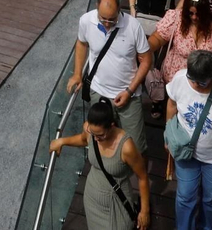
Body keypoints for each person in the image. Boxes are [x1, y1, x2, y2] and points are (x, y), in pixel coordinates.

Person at [164, 50, 212, 230]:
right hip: (186, 153)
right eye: (192, 80)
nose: (196, 85)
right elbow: (171, 105)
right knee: (185, 197)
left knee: (211, 200)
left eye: (202, 82)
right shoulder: (179, 79)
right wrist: (169, 134)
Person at [49, 97, 153, 230]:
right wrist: (62, 141)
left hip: (117, 205)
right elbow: (83, 139)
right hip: (92, 200)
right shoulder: (90, 130)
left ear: (112, 126)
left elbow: (142, 177)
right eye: (94, 134)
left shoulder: (126, 147)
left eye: (101, 135)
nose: (96, 139)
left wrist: (145, 212)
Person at [68, 0, 152, 154]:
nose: (107, 24)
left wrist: (129, 91)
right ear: (96, 8)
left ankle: (141, 178)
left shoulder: (133, 26)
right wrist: (77, 73)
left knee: (137, 148)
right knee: (102, 141)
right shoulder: (86, 20)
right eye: (103, 19)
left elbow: (146, 60)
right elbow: (81, 43)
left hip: (129, 96)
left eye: (112, 20)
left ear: (120, 10)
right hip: (99, 93)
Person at [151, 0, 212, 101]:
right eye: (190, 13)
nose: (194, 17)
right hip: (178, 80)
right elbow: (158, 38)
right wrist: (144, 49)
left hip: (207, 81)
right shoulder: (175, 19)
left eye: (198, 14)